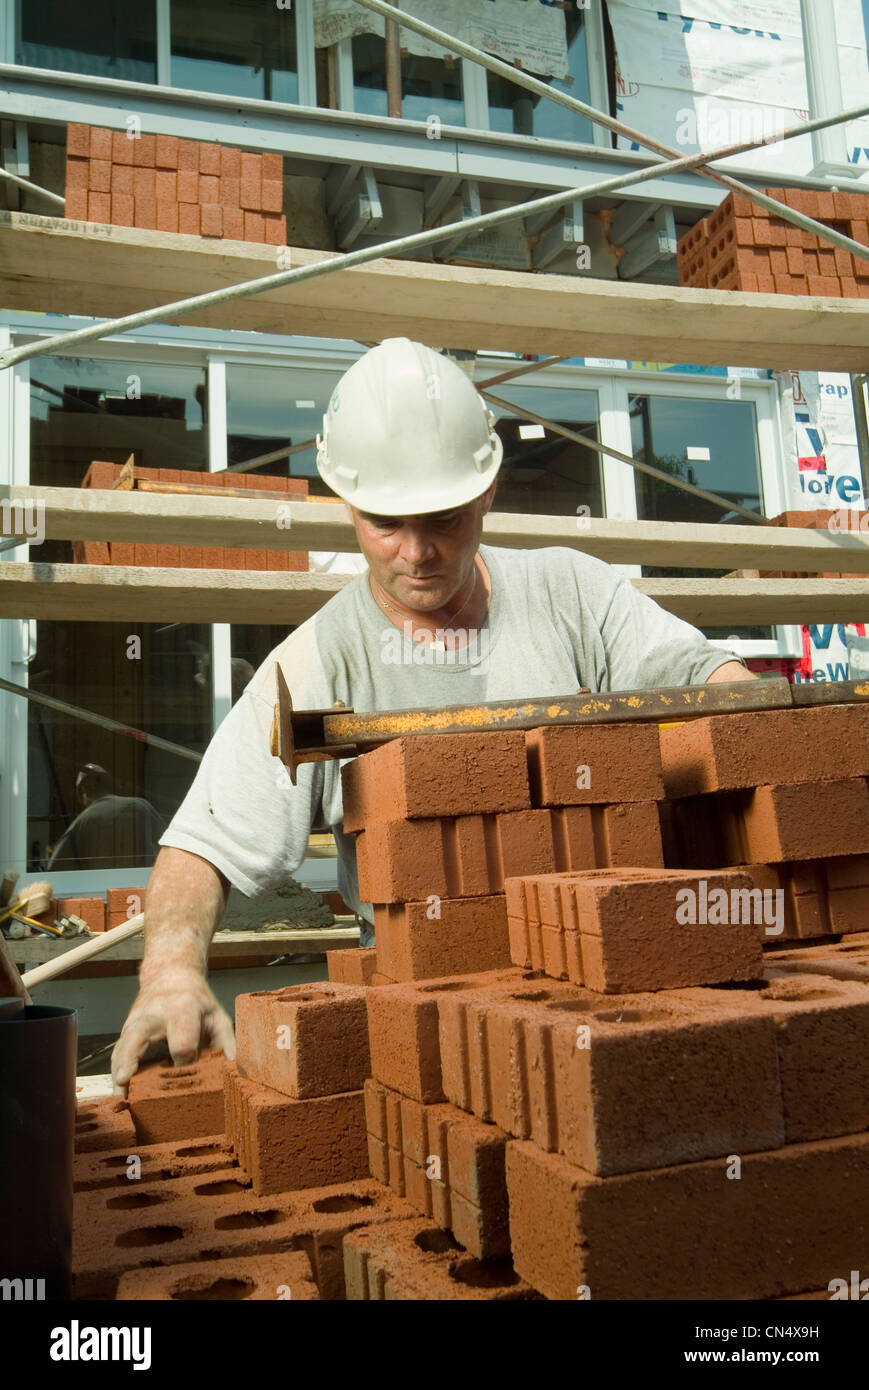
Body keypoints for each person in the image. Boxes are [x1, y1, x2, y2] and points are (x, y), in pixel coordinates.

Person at [111, 338, 753, 1092]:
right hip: (420, 1016)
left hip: (616, 983)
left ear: (485, 494)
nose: (415, 553)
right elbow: (203, 844)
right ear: (347, 507)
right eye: (386, 523)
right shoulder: (318, 662)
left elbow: (718, 688)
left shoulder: (573, 594)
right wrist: (169, 974)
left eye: (442, 520)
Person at [48, 764, 164, 871]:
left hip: (101, 888)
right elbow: (168, 846)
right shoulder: (141, 805)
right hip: (142, 884)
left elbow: (55, 868)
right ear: (108, 785)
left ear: (84, 791)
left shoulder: (81, 822)